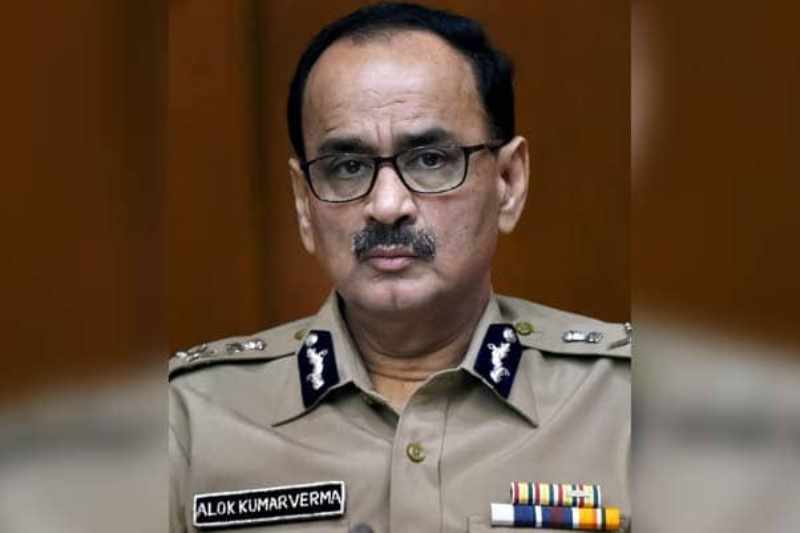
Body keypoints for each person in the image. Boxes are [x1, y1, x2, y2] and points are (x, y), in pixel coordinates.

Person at [169, 3, 630, 532]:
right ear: (303, 204)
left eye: (430, 159)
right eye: (347, 166)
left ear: (508, 183)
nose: (387, 206)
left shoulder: (630, 409)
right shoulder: (189, 422)